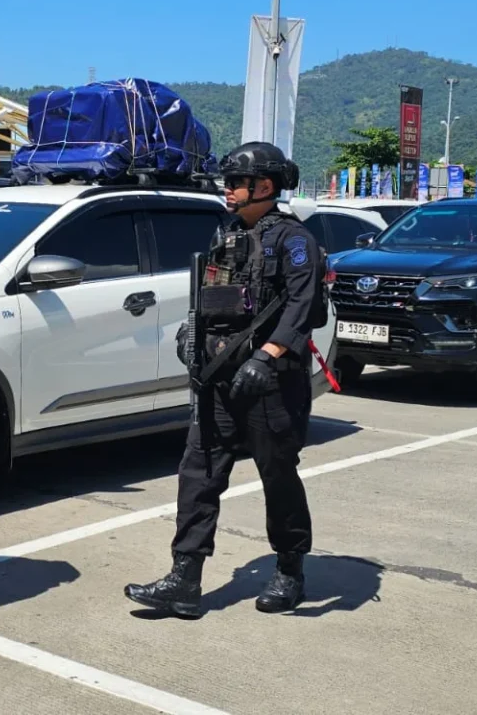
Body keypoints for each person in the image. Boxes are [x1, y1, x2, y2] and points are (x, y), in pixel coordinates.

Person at [124, 141, 323, 618]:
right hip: (218, 377)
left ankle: (290, 569)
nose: (229, 190)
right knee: (198, 474)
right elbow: (211, 292)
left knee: (278, 477)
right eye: (229, 182)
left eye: (237, 182)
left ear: (266, 187)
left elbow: (304, 307)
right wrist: (191, 332)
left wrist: (269, 355)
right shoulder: (227, 232)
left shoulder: (295, 241)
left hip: (270, 382)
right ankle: (184, 580)